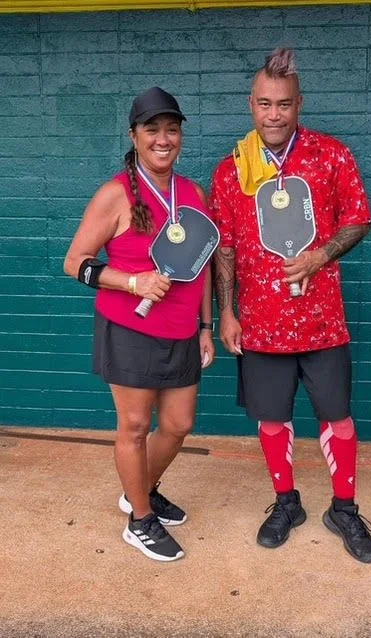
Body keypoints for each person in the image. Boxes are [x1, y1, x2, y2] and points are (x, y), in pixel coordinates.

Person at [210, 48, 371, 563]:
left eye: (284, 104)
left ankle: (344, 511)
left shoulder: (332, 155)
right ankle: (287, 503)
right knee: (271, 420)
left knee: (338, 418)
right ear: (251, 104)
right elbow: (225, 247)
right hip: (261, 324)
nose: (274, 114)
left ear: (299, 104)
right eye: (265, 104)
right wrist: (227, 312)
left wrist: (321, 255)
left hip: (323, 321)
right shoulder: (232, 170)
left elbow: (359, 218)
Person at [64, 86, 215, 562]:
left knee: (178, 424)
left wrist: (206, 327)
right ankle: (141, 521)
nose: (163, 139)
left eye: (172, 129)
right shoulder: (114, 194)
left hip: (182, 330)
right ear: (134, 135)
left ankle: (140, 491)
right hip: (129, 329)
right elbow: (75, 262)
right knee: (133, 427)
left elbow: (203, 264)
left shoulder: (193, 193)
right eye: (152, 129)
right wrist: (133, 282)